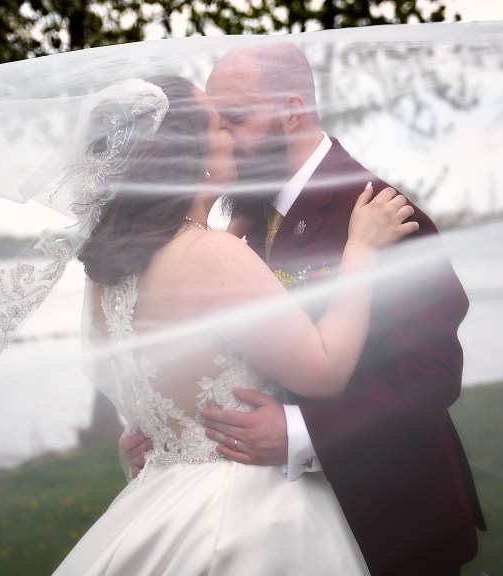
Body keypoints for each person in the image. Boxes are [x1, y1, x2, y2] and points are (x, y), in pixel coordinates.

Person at [120, 44, 486, 575]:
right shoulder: (240, 219)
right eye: (217, 123)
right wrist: (166, 427)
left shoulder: (380, 215)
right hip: (267, 526)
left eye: (235, 120)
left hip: (388, 517)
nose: (222, 138)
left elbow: (432, 371)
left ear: (292, 110)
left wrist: (302, 433)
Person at [52, 74, 417, 575]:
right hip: (242, 512)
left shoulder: (105, 273)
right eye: (218, 125)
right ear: (191, 155)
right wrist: (361, 250)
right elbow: (326, 369)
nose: (230, 136)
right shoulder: (213, 255)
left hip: (160, 499)